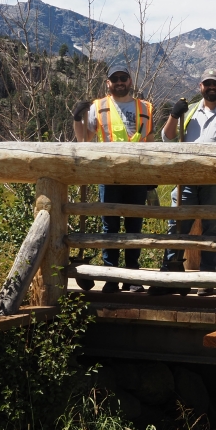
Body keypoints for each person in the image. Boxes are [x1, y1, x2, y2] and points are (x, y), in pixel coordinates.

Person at [150, 68, 216, 297]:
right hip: (186, 179)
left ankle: (207, 276)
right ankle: (171, 275)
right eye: (207, 84)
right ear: (200, 87)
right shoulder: (190, 110)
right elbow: (167, 137)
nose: (211, 87)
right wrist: (173, 115)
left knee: (212, 227)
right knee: (176, 224)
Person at [71, 62, 153, 293]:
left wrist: (152, 173)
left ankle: (132, 277)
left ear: (130, 81)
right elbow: (84, 141)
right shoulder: (98, 107)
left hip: (137, 175)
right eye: (114, 78)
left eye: (123, 78)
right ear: (108, 82)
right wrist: (77, 118)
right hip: (108, 175)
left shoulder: (145, 107)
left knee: (134, 226)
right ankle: (111, 277)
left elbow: (151, 139)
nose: (119, 82)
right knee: (110, 227)